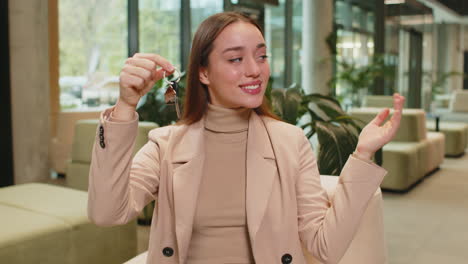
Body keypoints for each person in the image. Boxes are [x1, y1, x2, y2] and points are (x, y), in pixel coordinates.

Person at [88, 12, 405, 264]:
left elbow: (325, 247)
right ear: (203, 73)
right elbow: (107, 213)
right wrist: (126, 106)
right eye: (236, 59)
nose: (255, 70)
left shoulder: (290, 142)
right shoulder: (166, 145)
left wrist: (362, 155)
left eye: (262, 56)